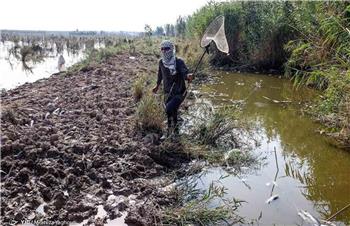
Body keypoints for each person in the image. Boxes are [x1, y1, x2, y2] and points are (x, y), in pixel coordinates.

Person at [152, 40, 193, 136]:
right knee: (171, 112)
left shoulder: (179, 62)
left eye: (166, 49)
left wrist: (188, 77)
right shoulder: (161, 62)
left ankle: (172, 131)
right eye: (162, 49)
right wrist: (157, 86)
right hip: (167, 92)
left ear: (171, 49)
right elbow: (160, 75)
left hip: (179, 92)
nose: (164, 51)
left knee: (168, 108)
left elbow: (185, 74)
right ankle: (174, 132)